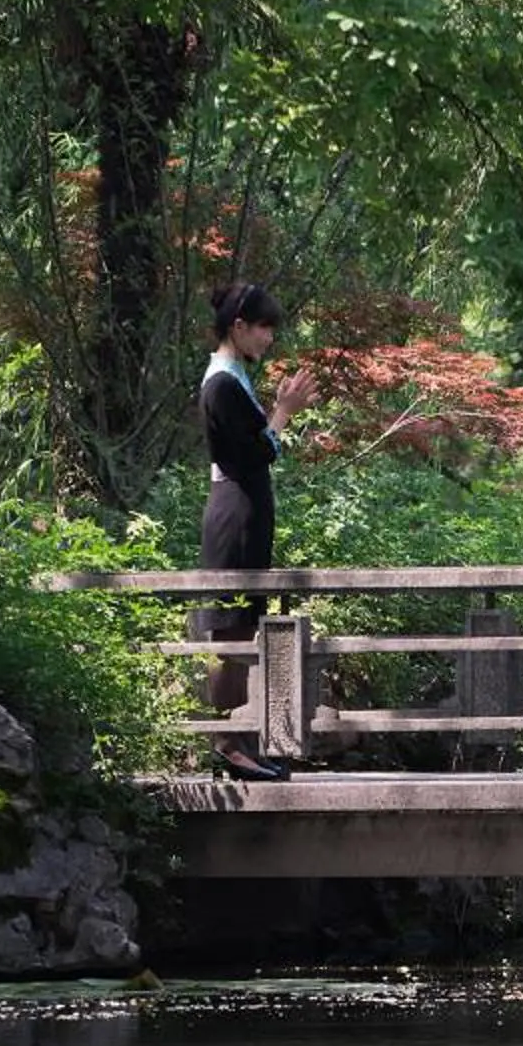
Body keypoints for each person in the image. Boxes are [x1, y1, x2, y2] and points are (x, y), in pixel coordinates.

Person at [200, 283, 319, 781]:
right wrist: (284, 411)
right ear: (238, 327)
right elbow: (255, 453)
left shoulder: (235, 379)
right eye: (263, 328)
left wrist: (278, 415)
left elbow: (256, 447)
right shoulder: (222, 384)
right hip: (234, 514)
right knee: (231, 625)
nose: (269, 338)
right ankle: (228, 746)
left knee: (243, 622)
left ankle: (242, 741)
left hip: (244, 512)